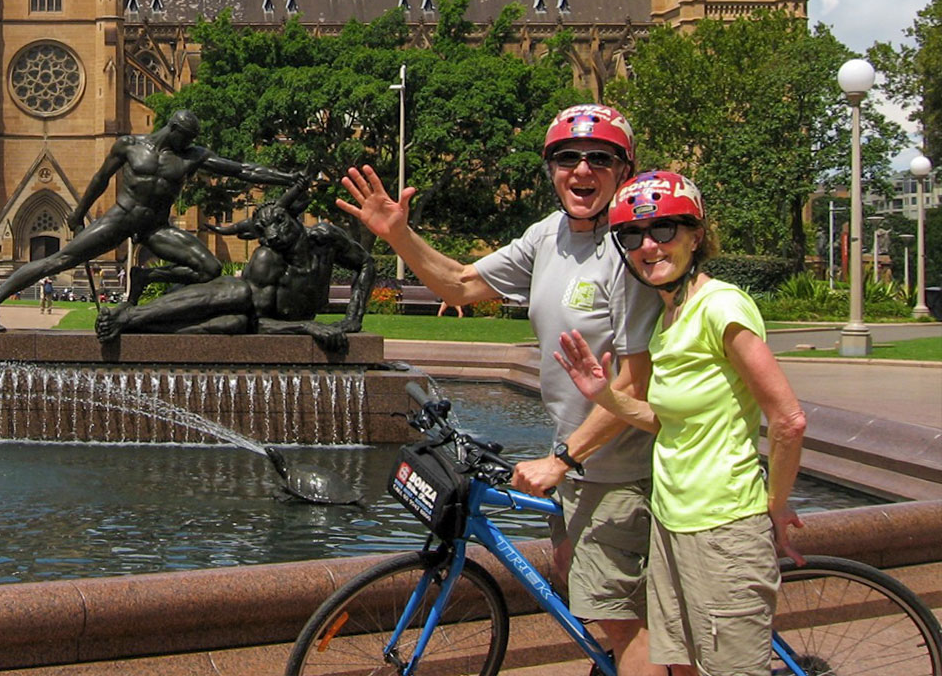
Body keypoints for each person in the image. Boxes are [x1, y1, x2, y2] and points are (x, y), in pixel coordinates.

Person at [339, 103, 662, 676]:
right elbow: (461, 285)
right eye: (567, 159)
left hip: (625, 467)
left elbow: (634, 382)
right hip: (580, 463)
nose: (582, 171)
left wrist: (562, 459)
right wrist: (399, 235)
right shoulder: (549, 235)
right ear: (551, 169)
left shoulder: (631, 250)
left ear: (624, 169)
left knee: (620, 622)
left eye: (599, 159)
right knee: (574, 578)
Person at [556, 171, 807, 676]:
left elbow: (789, 420)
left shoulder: (721, 307)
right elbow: (663, 421)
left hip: (723, 528)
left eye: (664, 230)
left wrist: (772, 508)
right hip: (672, 528)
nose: (648, 246)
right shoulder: (672, 318)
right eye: (632, 235)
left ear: (696, 234)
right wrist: (603, 394)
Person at [0, 109, 297, 331]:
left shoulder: (191, 156)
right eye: (185, 137)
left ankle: (145, 279)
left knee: (210, 269)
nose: (189, 144)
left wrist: (287, 178)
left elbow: (241, 169)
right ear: (173, 129)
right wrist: (78, 213)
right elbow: (101, 178)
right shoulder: (129, 146)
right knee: (58, 261)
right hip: (122, 218)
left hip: (156, 227)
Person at [94, 175, 374, 351]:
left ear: (292, 218)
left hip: (244, 320)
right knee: (238, 296)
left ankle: (132, 324)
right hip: (233, 300)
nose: (274, 236)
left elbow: (366, 264)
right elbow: (260, 323)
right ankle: (130, 317)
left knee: (232, 324)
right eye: (264, 232)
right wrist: (307, 328)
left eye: (278, 223)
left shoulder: (325, 239)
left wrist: (353, 319)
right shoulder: (268, 259)